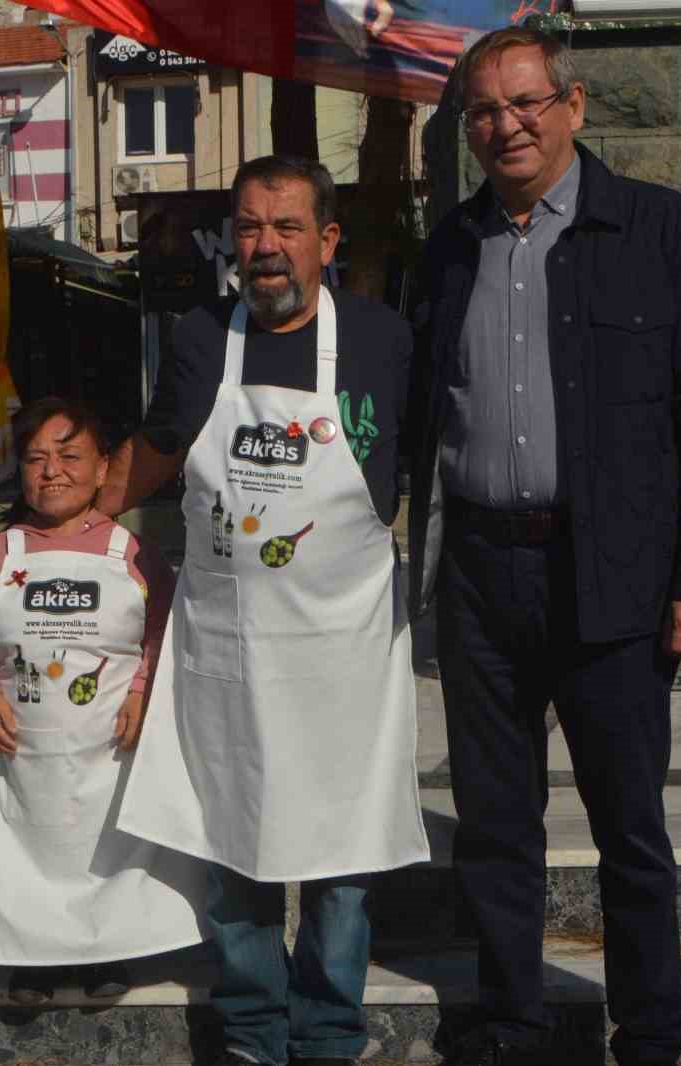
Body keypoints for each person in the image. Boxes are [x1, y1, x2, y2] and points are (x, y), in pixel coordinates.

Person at [408, 27, 681, 1066]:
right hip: (480, 572)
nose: (504, 125)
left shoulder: (657, 231)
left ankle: (649, 1029)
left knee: (628, 829)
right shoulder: (450, 248)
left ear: (572, 104)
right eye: (483, 111)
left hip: (611, 575)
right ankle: (513, 1019)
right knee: (495, 823)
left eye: (524, 102)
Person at [99, 154, 429, 1066]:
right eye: (249, 227)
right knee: (231, 842)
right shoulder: (203, 338)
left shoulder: (384, 339)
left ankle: (327, 1034)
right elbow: (159, 453)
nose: (266, 246)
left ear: (327, 240)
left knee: (341, 858)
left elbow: (423, 464)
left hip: (344, 656)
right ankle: (251, 1029)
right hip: (230, 652)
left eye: (287, 228)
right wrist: (72, 518)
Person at [0, 397, 206, 1004]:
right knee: (26, 855)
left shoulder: (133, 554)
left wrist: (141, 691)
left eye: (69, 455)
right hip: (20, 757)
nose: (51, 470)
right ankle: (29, 960)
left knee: (103, 856)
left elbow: (163, 627)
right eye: (36, 458)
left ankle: (107, 953)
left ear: (105, 467)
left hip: (109, 755)